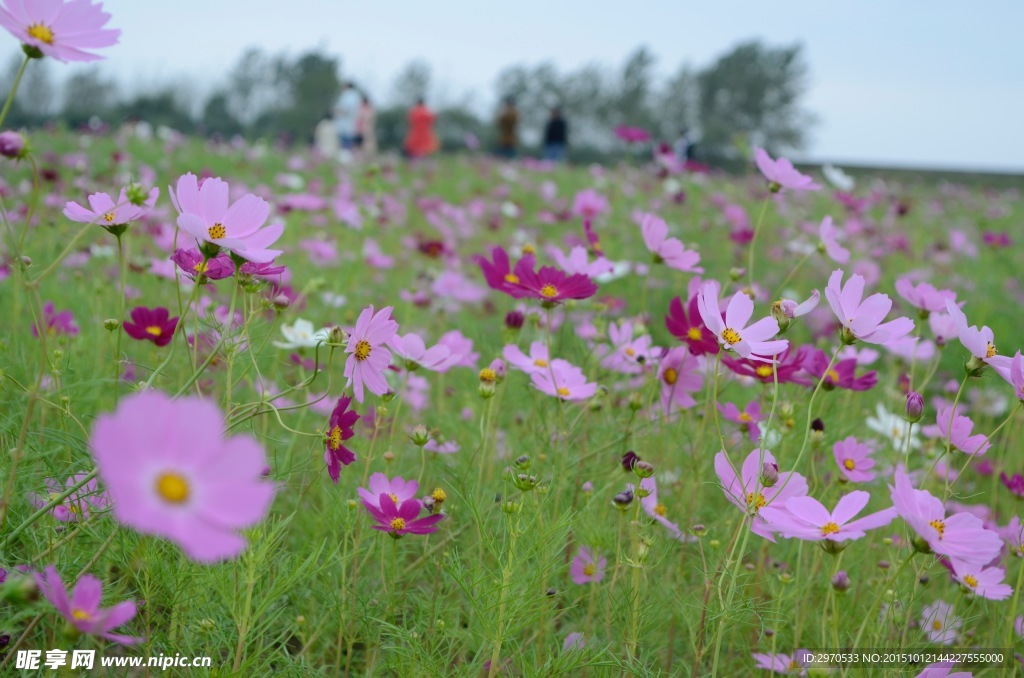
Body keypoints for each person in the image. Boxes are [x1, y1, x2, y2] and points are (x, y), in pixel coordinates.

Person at [334, 82, 362, 151]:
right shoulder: (356, 96)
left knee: (346, 142)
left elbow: (346, 109)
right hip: (350, 123)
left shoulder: (348, 95)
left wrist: (337, 111)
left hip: (346, 123)